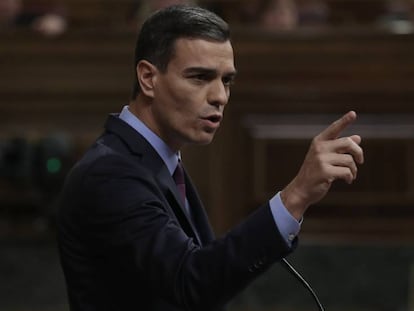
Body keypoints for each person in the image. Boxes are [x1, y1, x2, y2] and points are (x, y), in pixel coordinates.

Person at [57, 4, 364, 311]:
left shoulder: (158, 161)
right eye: (200, 77)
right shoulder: (111, 173)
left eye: (226, 80)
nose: (219, 96)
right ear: (148, 78)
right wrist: (295, 196)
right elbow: (190, 282)